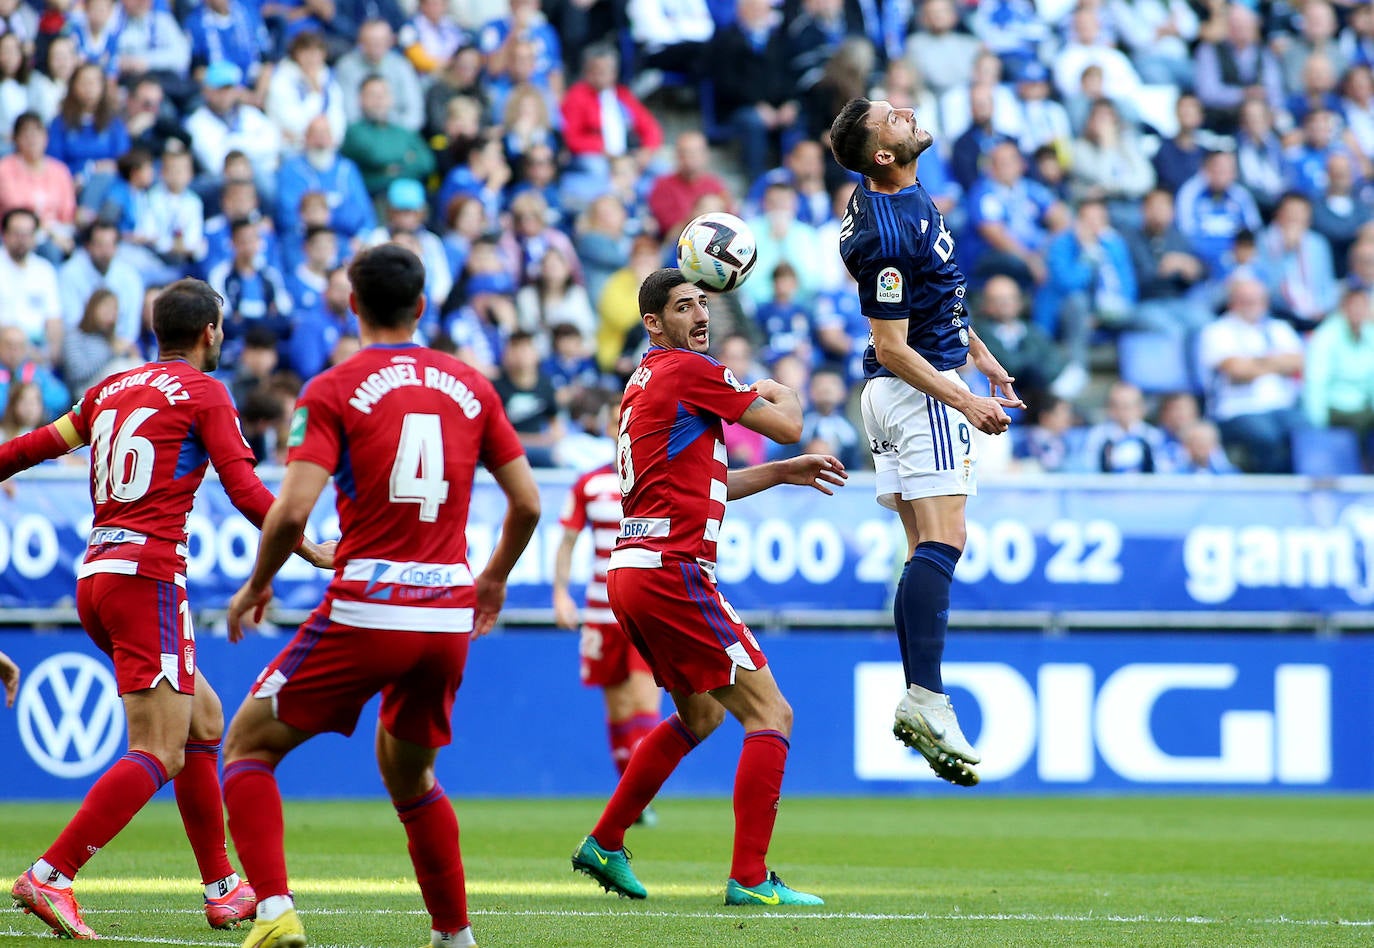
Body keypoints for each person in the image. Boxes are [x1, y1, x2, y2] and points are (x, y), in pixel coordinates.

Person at [220, 244, 541, 948]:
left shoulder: (334, 388)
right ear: (422, 306)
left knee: (245, 748)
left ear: (352, 304)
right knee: (412, 774)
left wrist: (258, 582)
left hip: (369, 607)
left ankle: (273, 915)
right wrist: (492, 578)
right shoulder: (472, 385)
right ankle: (454, 936)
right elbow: (527, 504)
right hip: (449, 613)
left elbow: (292, 511)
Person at [2, 279, 334, 939]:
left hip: (97, 576)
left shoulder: (111, 389)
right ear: (211, 332)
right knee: (158, 748)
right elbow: (243, 489)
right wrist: (309, 548)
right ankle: (53, 874)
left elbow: (34, 446)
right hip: (148, 577)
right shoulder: (207, 393)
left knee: (202, 720)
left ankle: (223, 888)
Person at [569, 267, 845, 907]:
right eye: (684, 306)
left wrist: (779, 474)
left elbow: (708, 480)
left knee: (700, 713)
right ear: (653, 323)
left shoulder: (645, 386)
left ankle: (606, 843)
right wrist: (783, 388)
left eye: (703, 304)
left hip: (634, 569)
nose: (700, 315)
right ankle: (750, 878)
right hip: (674, 569)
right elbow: (787, 422)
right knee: (771, 713)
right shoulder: (689, 371)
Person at [828, 97, 1025, 787]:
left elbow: (933, 298)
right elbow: (891, 342)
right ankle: (926, 696)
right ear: (884, 155)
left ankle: (923, 696)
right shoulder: (887, 229)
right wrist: (966, 399)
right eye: (892, 118)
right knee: (945, 542)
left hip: (911, 387)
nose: (907, 112)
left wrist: (983, 356)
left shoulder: (901, 196)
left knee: (922, 548)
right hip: (918, 391)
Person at [552, 417, 663, 818]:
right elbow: (566, 541)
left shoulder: (659, 476)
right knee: (617, 710)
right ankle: (632, 798)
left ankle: (641, 795)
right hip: (600, 613)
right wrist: (560, 592)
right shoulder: (589, 484)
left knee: (643, 700)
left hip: (644, 609)